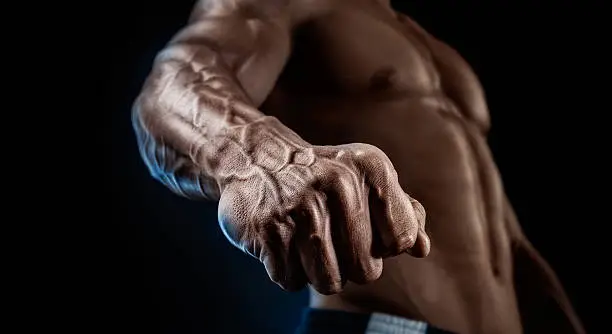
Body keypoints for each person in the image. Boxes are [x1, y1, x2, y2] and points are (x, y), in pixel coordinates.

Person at [131, 0, 585, 333]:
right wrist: (259, 160)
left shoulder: (416, 35)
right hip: (387, 327)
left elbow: (497, 230)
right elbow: (177, 80)